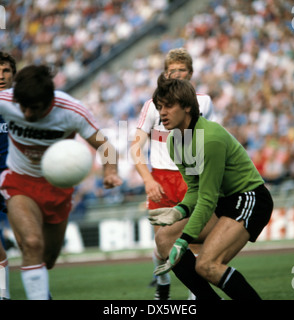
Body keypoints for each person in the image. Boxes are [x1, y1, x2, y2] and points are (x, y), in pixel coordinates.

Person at [0, 65, 122, 300]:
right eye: (21, 106)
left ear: (49, 102)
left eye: (33, 108)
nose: (26, 113)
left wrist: (110, 172)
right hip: (19, 181)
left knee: (49, 259)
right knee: (32, 243)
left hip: (57, 188)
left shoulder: (72, 110)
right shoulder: (6, 100)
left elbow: (106, 147)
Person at [149, 74, 274, 300]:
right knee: (163, 239)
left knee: (207, 265)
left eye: (168, 106)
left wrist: (184, 240)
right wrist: (178, 211)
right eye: (159, 107)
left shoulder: (210, 139)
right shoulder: (172, 142)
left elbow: (207, 198)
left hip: (249, 199)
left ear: (187, 107)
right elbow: (195, 190)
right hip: (222, 203)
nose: (162, 113)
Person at [131, 48, 214, 300]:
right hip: (162, 179)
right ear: (165, 74)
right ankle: (163, 281)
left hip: (192, 177)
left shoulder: (204, 102)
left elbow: (212, 140)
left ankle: (195, 295)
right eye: (171, 70)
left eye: (181, 70)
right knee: (162, 243)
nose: (176, 74)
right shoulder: (152, 106)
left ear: (190, 73)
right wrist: (147, 179)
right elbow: (135, 147)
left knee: (195, 239)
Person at [0, 51, 17, 300]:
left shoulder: (24, 103)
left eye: (6, 71)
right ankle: (3, 295)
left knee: (33, 245)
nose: (1, 76)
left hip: (18, 181)